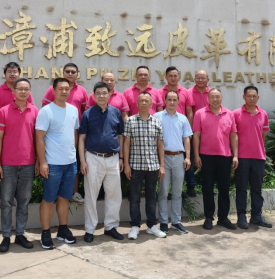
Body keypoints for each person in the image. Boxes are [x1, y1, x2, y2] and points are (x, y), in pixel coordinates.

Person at [0, 78, 39, 253]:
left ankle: (20, 234)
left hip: (28, 164)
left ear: (30, 91)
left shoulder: (34, 111)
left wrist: (38, 161)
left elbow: (37, 139)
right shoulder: (4, 111)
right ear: (13, 91)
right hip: (7, 164)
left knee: (24, 201)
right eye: (20, 89)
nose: (23, 92)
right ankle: (6, 236)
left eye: (26, 89)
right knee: (6, 202)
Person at [36, 78, 80, 250]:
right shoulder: (46, 111)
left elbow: (74, 134)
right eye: (60, 88)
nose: (64, 91)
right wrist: (42, 162)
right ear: (53, 91)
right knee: (48, 199)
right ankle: (45, 233)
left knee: (64, 198)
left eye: (67, 89)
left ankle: (63, 229)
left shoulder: (73, 110)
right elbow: (39, 138)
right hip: (52, 163)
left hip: (70, 163)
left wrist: (73, 156)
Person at [79, 82, 125, 243]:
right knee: (91, 195)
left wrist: (121, 158)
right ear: (93, 95)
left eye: (104, 93)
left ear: (109, 94)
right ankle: (90, 229)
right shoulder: (87, 114)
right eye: (98, 93)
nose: (101, 96)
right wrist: (83, 161)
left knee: (114, 194)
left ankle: (111, 226)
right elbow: (81, 138)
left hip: (113, 158)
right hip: (93, 158)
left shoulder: (116, 112)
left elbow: (120, 136)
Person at [0, 62, 34, 208]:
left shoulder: (25, 90)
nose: (12, 74)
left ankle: (14, 196)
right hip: (1, 132)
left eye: (15, 71)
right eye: (9, 71)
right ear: (5, 74)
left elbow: (30, 109)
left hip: (18, 133)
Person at [42, 63, 88, 204]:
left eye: (73, 71)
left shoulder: (82, 90)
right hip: (55, 133)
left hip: (74, 132)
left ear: (77, 74)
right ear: (63, 73)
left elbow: (84, 110)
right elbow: (45, 106)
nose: (70, 73)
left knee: (73, 163)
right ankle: (55, 195)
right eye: (67, 71)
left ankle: (74, 193)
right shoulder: (53, 89)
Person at [193, 88, 239, 231]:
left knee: (224, 187)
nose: (215, 99)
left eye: (217, 97)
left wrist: (235, 155)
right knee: (207, 188)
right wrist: (196, 155)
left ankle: (223, 218)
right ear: (208, 98)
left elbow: (233, 135)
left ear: (221, 98)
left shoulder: (229, 114)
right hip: (206, 156)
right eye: (212, 97)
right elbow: (196, 136)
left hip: (225, 156)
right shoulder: (200, 113)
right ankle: (208, 217)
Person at [123, 92, 166, 240]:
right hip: (135, 166)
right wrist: (126, 164)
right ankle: (135, 226)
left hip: (153, 166)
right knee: (134, 198)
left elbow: (160, 144)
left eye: (147, 101)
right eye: (141, 100)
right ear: (137, 103)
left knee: (151, 198)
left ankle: (152, 226)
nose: (144, 103)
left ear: (151, 104)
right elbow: (126, 144)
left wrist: (162, 165)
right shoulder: (130, 121)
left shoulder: (157, 122)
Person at [233, 86, 273, 229]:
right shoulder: (236, 114)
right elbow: (233, 136)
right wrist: (235, 155)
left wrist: (260, 150)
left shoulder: (263, 114)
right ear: (244, 97)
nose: (251, 98)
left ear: (258, 97)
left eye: (254, 96)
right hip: (242, 157)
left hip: (258, 157)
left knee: (257, 188)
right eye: (248, 96)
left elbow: (263, 136)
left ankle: (256, 216)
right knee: (241, 188)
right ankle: (241, 216)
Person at [154, 91, 193, 235]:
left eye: (174, 99)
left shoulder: (183, 118)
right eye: (169, 99)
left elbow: (186, 138)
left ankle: (176, 222)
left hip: (178, 157)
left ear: (178, 101)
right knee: (163, 191)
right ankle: (163, 222)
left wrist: (187, 157)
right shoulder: (157, 117)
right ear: (164, 101)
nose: (171, 102)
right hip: (163, 157)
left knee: (177, 192)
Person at [184, 70, 211, 198]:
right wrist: (189, 131)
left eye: (203, 77)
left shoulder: (212, 93)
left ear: (208, 79)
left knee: (208, 160)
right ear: (194, 79)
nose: (200, 80)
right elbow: (188, 112)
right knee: (190, 158)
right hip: (193, 131)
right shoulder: (188, 93)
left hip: (209, 132)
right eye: (198, 77)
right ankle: (191, 186)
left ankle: (208, 186)